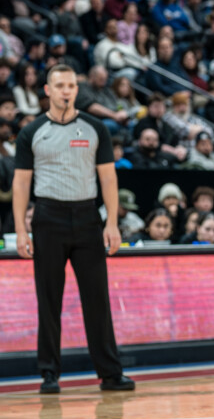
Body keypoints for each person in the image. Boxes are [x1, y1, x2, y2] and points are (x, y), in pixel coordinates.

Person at [11, 64, 135, 394]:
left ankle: (110, 373)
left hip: (87, 217)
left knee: (97, 298)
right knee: (48, 298)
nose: (65, 91)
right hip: (47, 218)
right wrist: (21, 230)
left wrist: (112, 222)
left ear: (76, 90)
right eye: (59, 85)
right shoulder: (32, 131)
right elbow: (21, 183)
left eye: (70, 86)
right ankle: (49, 373)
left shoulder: (95, 128)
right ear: (48, 90)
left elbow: (108, 178)